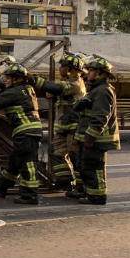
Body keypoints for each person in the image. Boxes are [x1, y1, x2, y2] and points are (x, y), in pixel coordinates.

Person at [31, 54, 87, 191]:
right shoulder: (68, 82)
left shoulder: (75, 83)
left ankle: (81, 187)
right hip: (64, 128)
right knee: (55, 152)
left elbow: (58, 88)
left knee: (75, 157)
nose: (60, 68)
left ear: (71, 70)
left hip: (74, 128)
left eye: (62, 66)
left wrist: (33, 80)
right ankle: (64, 180)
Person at [0, 64, 42, 205]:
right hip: (30, 131)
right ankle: (1, 187)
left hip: (25, 132)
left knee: (27, 164)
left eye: (8, 78)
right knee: (14, 162)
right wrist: (3, 85)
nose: (5, 80)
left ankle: (29, 195)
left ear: (17, 78)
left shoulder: (13, 92)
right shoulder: (27, 89)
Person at [73, 56, 119, 205]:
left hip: (97, 140)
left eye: (91, 70)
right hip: (91, 138)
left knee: (94, 168)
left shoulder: (102, 91)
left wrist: (90, 138)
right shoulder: (95, 89)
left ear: (101, 73)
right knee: (86, 167)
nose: (88, 73)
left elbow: (100, 118)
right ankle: (90, 194)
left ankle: (97, 197)